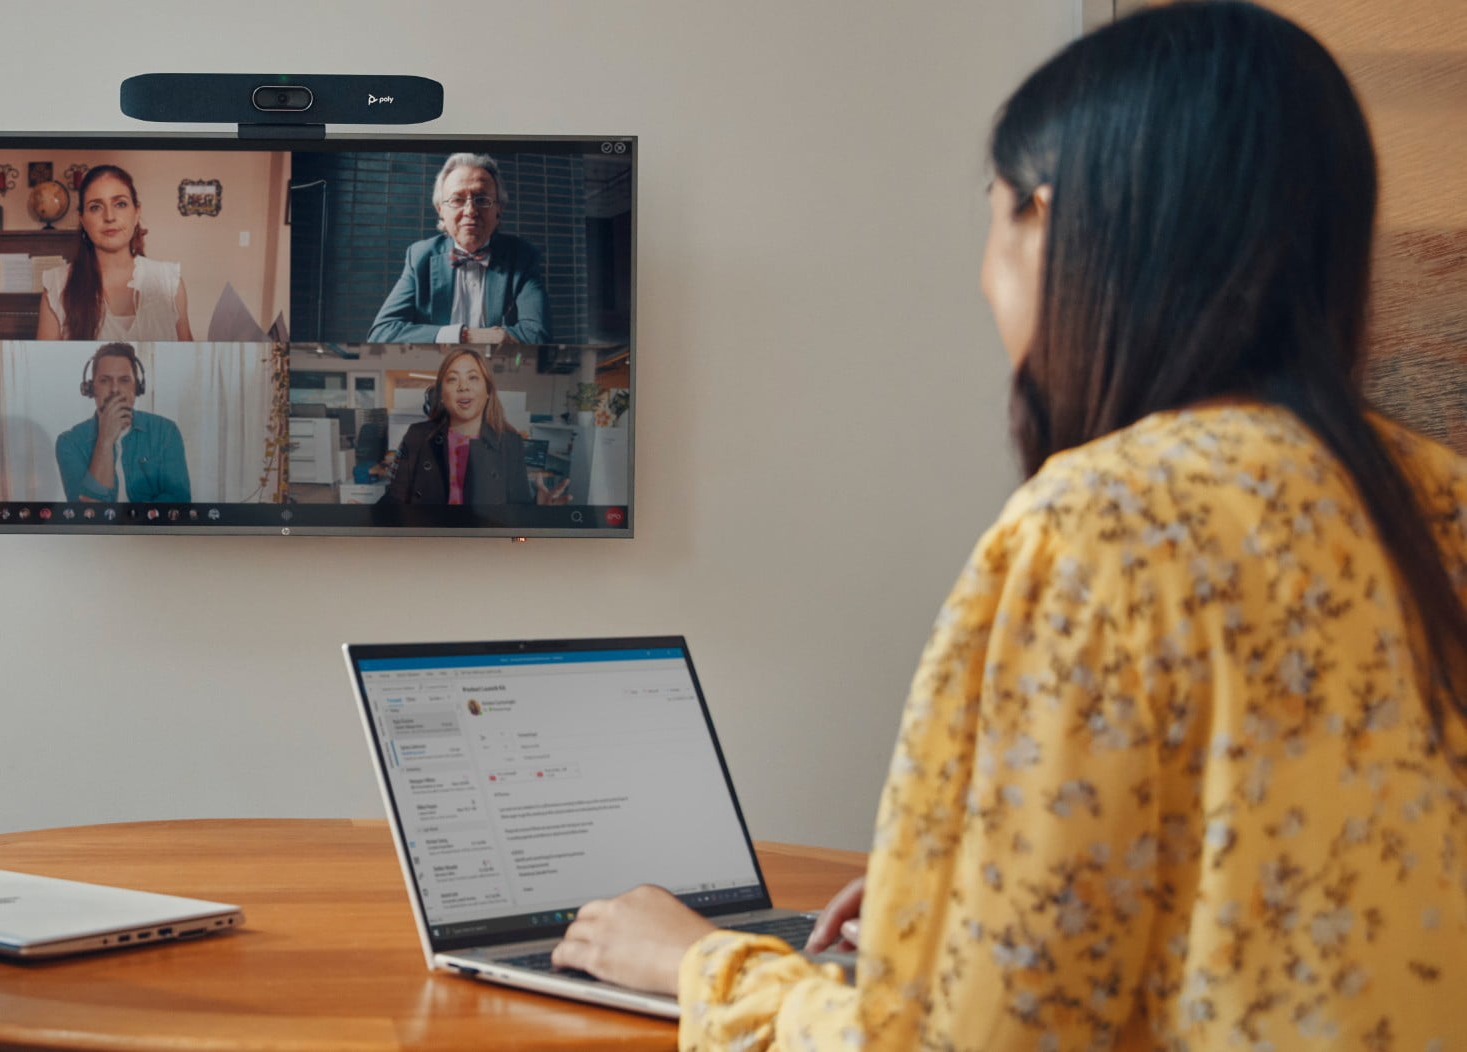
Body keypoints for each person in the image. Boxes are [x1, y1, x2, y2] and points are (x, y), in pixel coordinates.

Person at [550, 4, 1467, 1048]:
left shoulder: (1099, 522)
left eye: (990, 215)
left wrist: (702, 963)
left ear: (1052, 222)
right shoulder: (1441, 497)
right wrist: (953, 900)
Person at [367, 154, 550, 345]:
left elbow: (537, 334)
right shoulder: (420, 256)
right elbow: (382, 332)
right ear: (441, 211)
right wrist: (465, 336)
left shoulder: (523, 255)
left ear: (499, 209)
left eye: (482, 200)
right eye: (457, 200)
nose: (470, 211)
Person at [380, 349, 566, 505]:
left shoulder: (510, 443)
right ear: (442, 395)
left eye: (473, 378)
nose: (463, 387)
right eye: (453, 379)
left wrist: (537, 508)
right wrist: (368, 516)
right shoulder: (417, 436)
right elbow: (393, 501)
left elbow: (517, 516)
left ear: (488, 392)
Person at [35, 164, 195, 341]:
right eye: (96, 207)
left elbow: (188, 361)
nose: (109, 217)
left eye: (120, 204)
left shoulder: (170, 282)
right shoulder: (57, 285)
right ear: (83, 220)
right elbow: (44, 366)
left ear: (136, 213)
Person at [55, 342, 191, 503]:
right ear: (91, 388)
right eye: (105, 380)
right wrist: (105, 441)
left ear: (137, 387)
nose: (115, 389)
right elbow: (86, 512)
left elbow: (178, 502)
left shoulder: (166, 432)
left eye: (124, 380)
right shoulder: (69, 442)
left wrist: (129, 523)